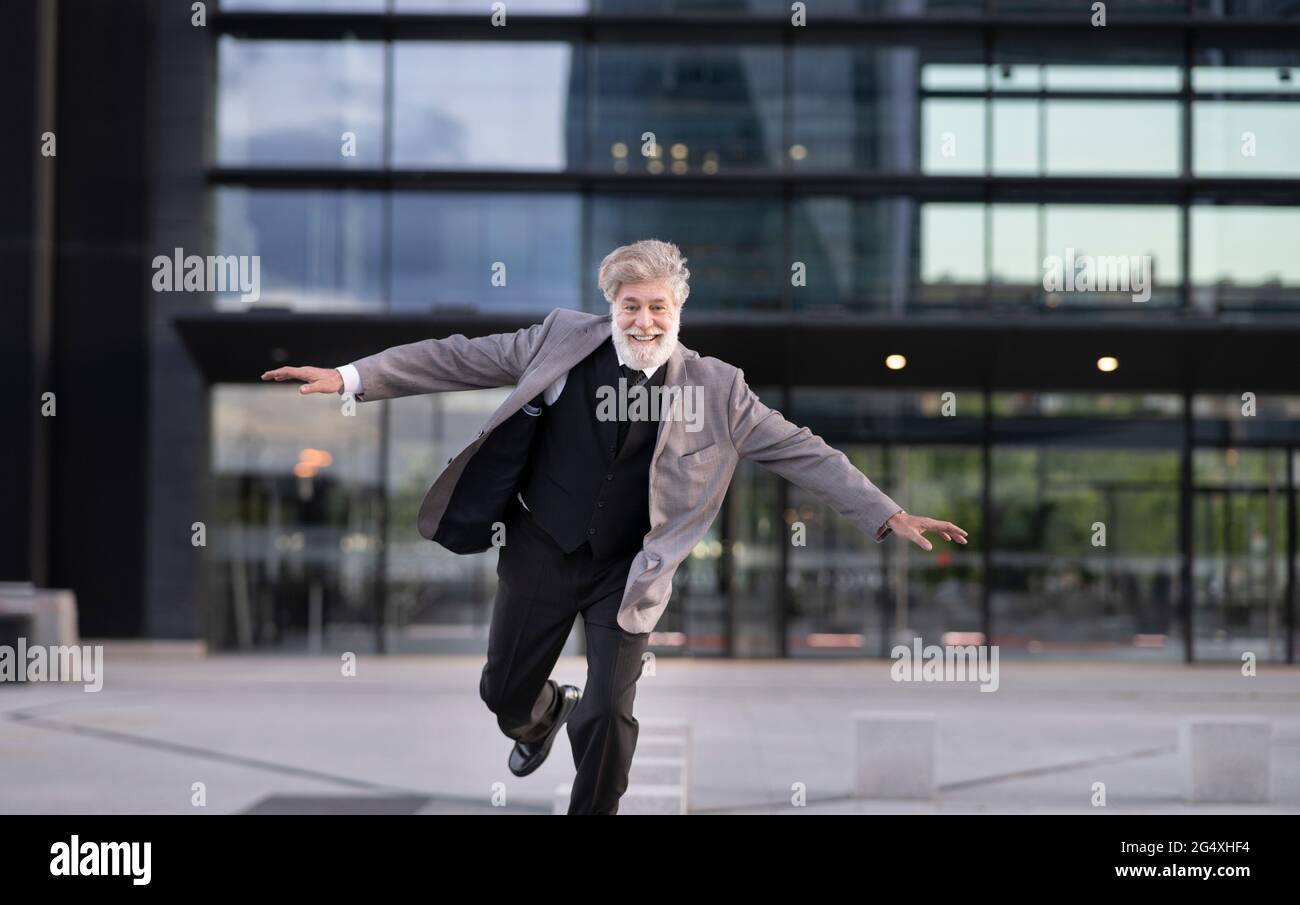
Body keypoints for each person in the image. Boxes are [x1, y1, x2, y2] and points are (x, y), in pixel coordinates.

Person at [262, 238, 968, 814]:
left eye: (658, 306)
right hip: (541, 545)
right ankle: (542, 715)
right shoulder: (559, 341)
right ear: (612, 306)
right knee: (503, 692)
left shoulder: (718, 389)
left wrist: (888, 510)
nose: (645, 321)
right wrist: (354, 377)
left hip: (628, 569)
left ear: (678, 307)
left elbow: (801, 449)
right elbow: (456, 356)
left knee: (607, 714)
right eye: (631, 306)